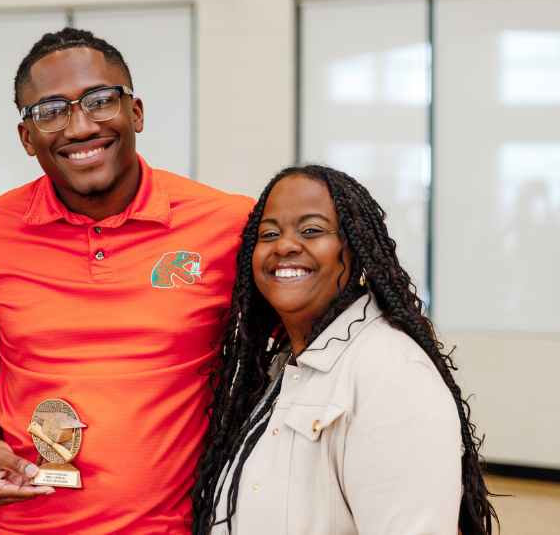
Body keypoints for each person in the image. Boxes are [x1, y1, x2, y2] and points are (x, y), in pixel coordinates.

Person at [0, 28, 254, 534]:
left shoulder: (229, 224)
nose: (80, 126)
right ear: (26, 137)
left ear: (137, 113)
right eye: (51, 111)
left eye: (100, 100)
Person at [190, 165, 497, 535]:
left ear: (354, 248)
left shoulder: (394, 375)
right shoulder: (281, 368)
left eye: (312, 230)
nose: (284, 245)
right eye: (268, 234)